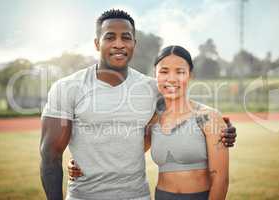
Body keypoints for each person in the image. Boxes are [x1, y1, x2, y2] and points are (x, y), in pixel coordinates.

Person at [40, 9, 236, 200]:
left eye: (125, 37)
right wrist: (88, 161)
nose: (119, 44)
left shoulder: (152, 88)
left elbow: (185, 110)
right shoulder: (66, 87)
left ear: (134, 43)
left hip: (137, 195)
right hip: (83, 195)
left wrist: (223, 127)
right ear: (96, 43)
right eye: (110, 37)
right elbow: (50, 155)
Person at [69, 45, 230, 200]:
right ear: (156, 75)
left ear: (190, 75)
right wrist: (83, 163)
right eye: (164, 72)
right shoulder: (154, 120)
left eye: (180, 72)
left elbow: (221, 180)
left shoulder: (208, 117)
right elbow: (126, 154)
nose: (172, 79)